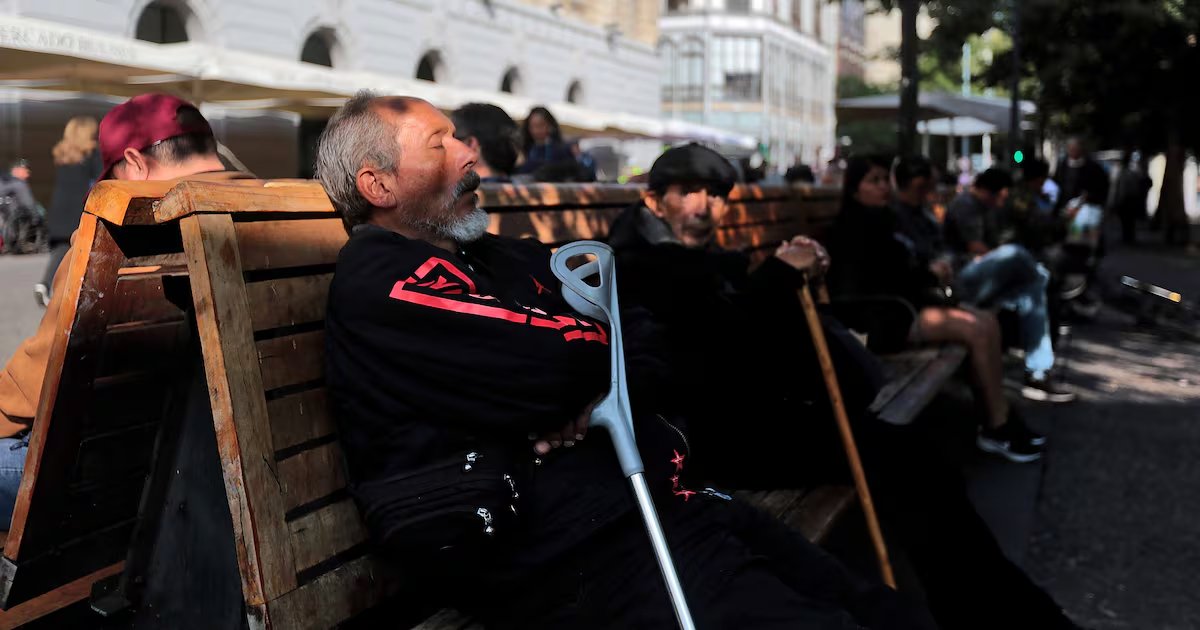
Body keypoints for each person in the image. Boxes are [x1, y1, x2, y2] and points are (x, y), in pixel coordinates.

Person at [316, 91, 927, 629]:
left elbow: (644, 332)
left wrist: (585, 389)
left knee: (874, 606)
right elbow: (564, 358)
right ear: (379, 186)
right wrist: (582, 378)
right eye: (439, 144)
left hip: (652, 503)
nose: (468, 153)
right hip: (569, 554)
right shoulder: (382, 276)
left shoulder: (497, 257)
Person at [607, 143, 1079, 630]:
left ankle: (1002, 608)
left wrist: (791, 274)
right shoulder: (637, 266)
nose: (705, 207)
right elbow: (713, 352)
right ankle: (1005, 614)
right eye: (689, 192)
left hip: (756, 415)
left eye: (716, 195)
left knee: (913, 458)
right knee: (907, 462)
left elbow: (740, 329)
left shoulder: (693, 258)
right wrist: (779, 274)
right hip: (709, 439)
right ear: (654, 201)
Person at [0, 93, 243, 527]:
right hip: (197, 472)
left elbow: (33, 388)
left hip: (100, 483)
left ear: (133, 163)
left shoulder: (115, 238)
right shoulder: (271, 214)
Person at [828, 155, 1043, 463]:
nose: (883, 186)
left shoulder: (884, 219)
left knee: (986, 321)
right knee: (975, 328)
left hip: (903, 307)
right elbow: (881, 280)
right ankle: (997, 427)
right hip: (882, 319)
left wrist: (928, 273)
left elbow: (903, 271)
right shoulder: (854, 226)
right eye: (873, 181)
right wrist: (929, 274)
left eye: (884, 179)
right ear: (854, 188)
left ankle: (999, 417)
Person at [944, 169, 1076, 403]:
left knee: (1032, 289)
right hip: (961, 281)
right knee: (1018, 257)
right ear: (989, 191)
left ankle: (1038, 373)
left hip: (980, 279)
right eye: (1001, 195)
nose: (1003, 201)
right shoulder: (965, 205)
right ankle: (1039, 277)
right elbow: (977, 248)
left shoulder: (986, 208)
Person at [38, 116, 103, 307]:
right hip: (77, 209)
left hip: (59, 208)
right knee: (80, 251)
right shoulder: (92, 154)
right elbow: (100, 180)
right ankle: (65, 291)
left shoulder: (63, 155)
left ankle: (47, 285)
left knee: (61, 250)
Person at [450, 103, 520, 183]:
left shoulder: (453, 190)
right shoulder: (523, 186)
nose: (445, 146)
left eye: (451, 138)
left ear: (471, 144)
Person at [517, 106, 575, 178]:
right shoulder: (525, 148)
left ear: (550, 125)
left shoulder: (561, 149)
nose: (536, 130)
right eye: (533, 126)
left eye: (540, 125)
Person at [1112, 151, 1152, 245]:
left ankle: (1128, 237)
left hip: (1128, 199)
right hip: (1130, 199)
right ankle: (1128, 237)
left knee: (1128, 220)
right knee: (1128, 220)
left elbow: (1123, 188)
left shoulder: (1127, 172)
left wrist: (1118, 200)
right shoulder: (1130, 172)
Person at [0, 160, 38, 255]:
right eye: (26, 171)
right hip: (13, 228)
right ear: (16, 170)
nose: (28, 175)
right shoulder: (19, 184)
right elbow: (29, 205)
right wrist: (36, 218)